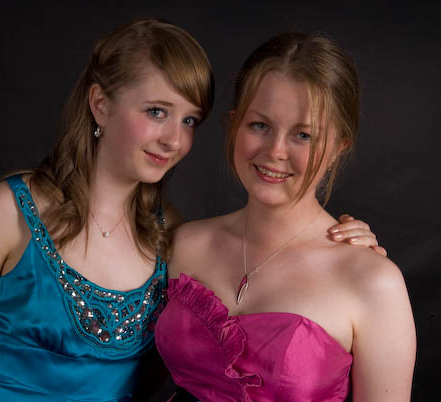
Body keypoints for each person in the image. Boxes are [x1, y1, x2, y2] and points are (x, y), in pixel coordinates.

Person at [0, 18, 383, 402]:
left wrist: (348, 248)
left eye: (189, 120)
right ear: (100, 104)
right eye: (157, 112)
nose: (174, 140)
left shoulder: (173, 240)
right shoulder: (10, 209)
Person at [154, 32, 416, 401]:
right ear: (234, 124)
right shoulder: (183, 243)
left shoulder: (373, 282)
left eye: (304, 135)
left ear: (339, 147)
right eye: (259, 125)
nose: (275, 151)